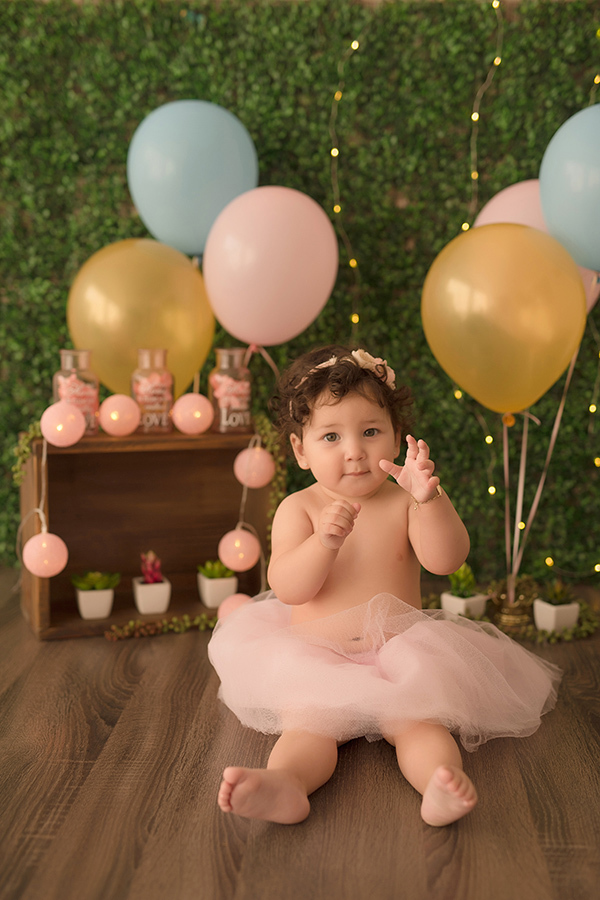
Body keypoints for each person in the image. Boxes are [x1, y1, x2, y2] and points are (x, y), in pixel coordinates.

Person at [208, 345, 561, 827]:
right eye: (331, 436)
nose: (354, 450)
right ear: (300, 450)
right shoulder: (300, 509)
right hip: (319, 655)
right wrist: (323, 544)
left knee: (420, 724)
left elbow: (447, 559)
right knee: (308, 730)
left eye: (370, 431)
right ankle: (286, 784)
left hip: (401, 652)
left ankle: (440, 782)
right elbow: (289, 587)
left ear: (396, 439)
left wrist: (429, 499)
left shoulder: (406, 501)